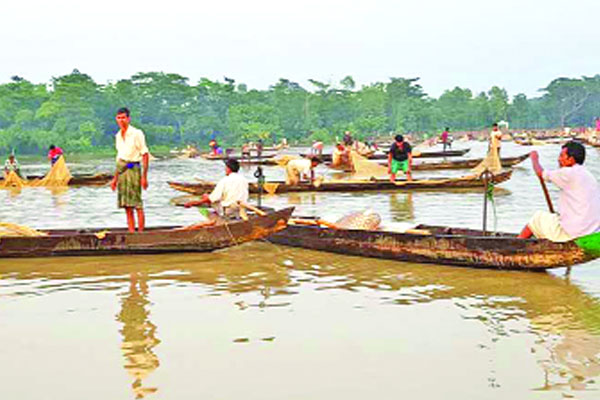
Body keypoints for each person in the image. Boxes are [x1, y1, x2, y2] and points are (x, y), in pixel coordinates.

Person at [518, 142, 600, 242]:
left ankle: (515, 244)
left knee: (537, 219)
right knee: (552, 218)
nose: (559, 159)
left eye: (562, 156)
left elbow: (541, 173)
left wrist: (534, 159)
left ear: (571, 160)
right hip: (592, 230)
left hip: (575, 233)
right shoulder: (588, 175)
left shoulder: (568, 173)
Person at [110, 107, 150, 233]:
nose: (121, 120)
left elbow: (145, 154)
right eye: (119, 118)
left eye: (123, 117)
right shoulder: (118, 136)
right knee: (126, 205)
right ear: (116, 119)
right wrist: (115, 179)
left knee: (137, 203)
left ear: (128, 118)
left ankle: (141, 233)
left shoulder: (137, 133)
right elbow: (119, 158)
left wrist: (144, 177)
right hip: (122, 170)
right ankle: (132, 231)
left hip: (133, 169)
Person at [184, 158, 249, 217]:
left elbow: (212, 198)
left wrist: (194, 202)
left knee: (208, 198)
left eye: (225, 168)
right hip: (242, 209)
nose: (225, 169)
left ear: (228, 169)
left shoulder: (225, 180)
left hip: (229, 210)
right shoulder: (244, 179)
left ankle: (215, 216)